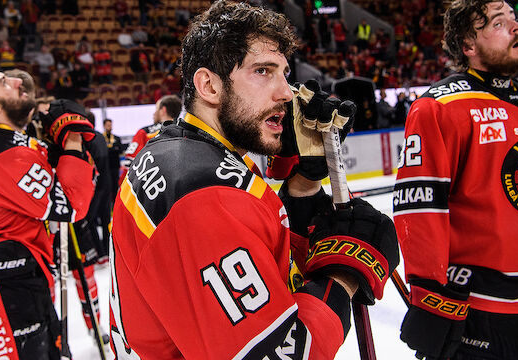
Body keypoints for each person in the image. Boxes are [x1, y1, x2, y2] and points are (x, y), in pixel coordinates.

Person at [109, 1, 399, 359]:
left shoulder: (188, 152)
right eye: (263, 71)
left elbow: (265, 260)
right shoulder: (201, 194)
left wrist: (303, 186)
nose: (286, 93)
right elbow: (282, 352)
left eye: (283, 73)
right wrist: (344, 274)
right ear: (209, 86)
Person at [394, 1, 518, 359]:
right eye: (500, 23)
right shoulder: (439, 107)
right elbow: (420, 209)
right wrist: (430, 296)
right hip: (480, 313)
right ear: (468, 45)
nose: (517, 29)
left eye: (515, 20)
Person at [0, 62, 96, 359]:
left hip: (11, 277)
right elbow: (71, 205)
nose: (17, 82)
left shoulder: (0, 143)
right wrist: (72, 142)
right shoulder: (5, 154)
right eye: (4, 82)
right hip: (2, 284)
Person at [121, 94, 181, 177]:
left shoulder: (145, 133)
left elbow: (129, 163)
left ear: (163, 110)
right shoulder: (187, 131)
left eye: (156, 109)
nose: (154, 113)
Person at [102, 118, 124, 204]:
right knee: (107, 187)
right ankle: (107, 205)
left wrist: (111, 149)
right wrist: (113, 149)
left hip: (115, 166)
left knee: (115, 186)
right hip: (106, 167)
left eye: (110, 125)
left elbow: (121, 150)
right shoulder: (102, 138)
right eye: (108, 125)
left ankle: (115, 204)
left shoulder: (116, 138)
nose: (109, 127)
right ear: (104, 126)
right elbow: (104, 151)